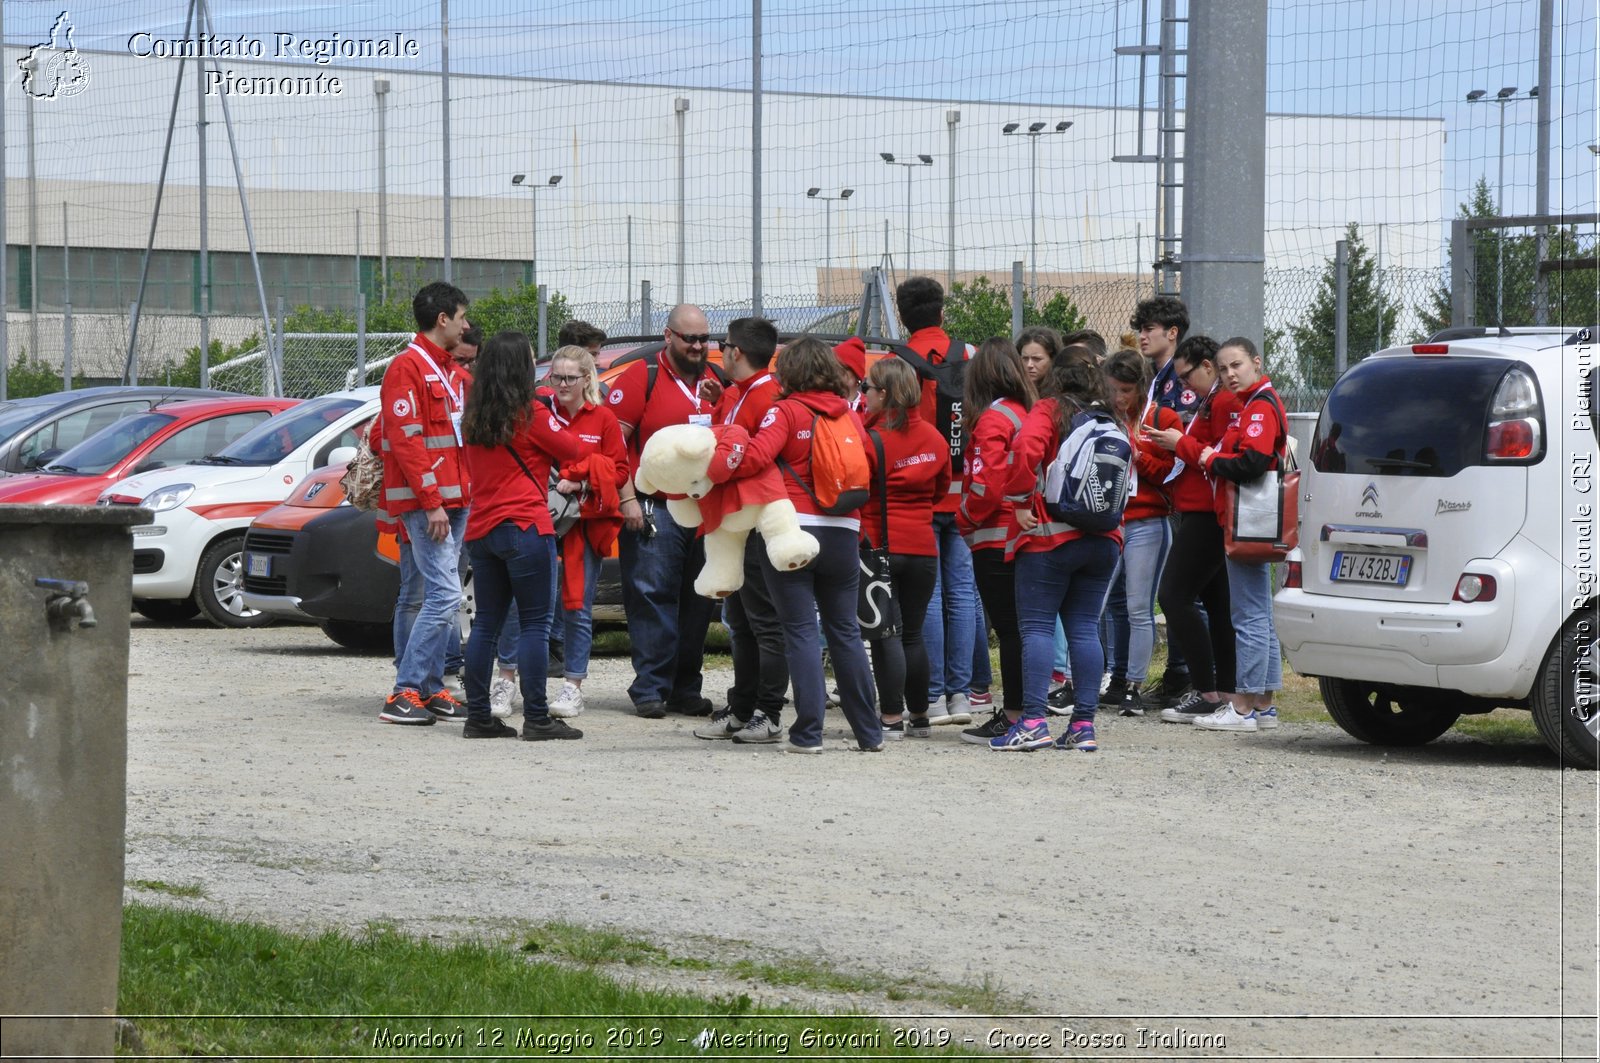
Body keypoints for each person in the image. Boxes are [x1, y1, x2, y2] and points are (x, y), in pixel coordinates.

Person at [725, 336, 881, 753]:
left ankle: (808, 733)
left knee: (799, 632)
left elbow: (756, 458)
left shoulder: (785, 411)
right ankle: (870, 733)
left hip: (792, 531)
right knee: (846, 631)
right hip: (844, 531)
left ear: (790, 371)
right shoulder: (849, 415)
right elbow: (870, 468)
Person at [456, 331, 584, 740]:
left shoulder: (473, 416)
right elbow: (574, 451)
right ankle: (538, 718)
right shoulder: (531, 413)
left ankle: (478, 716)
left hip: (482, 529)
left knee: (486, 625)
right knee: (534, 624)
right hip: (526, 526)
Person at [607, 304, 727, 718]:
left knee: (698, 600)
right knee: (652, 596)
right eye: (689, 338)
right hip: (654, 506)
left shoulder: (717, 379)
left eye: (703, 339)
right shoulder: (643, 375)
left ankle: (684, 689)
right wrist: (627, 500)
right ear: (669, 335)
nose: (697, 347)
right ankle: (651, 688)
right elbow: (613, 445)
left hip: (706, 510)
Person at [998, 360, 1124, 752]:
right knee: (1085, 629)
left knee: (1036, 628)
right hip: (1105, 539)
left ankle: (1034, 720)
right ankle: (1083, 724)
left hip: (1050, 535)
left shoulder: (1050, 409)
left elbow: (1025, 449)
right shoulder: (1111, 420)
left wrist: (1019, 500)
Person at [377, 282, 475, 726]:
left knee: (443, 594)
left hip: (456, 498)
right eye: (462, 317)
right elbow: (406, 440)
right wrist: (432, 501)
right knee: (444, 594)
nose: (466, 325)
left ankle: (432, 688)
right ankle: (404, 691)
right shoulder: (407, 367)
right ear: (443, 319)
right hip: (429, 503)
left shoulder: (450, 369)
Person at [695, 317, 791, 744]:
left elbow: (749, 454)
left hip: (755, 521)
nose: (721, 351)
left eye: (724, 344)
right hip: (734, 522)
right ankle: (742, 706)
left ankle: (769, 712)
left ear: (736, 351)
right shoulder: (741, 393)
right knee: (740, 621)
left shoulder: (767, 395)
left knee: (764, 622)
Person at [1188, 337, 1285, 732]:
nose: (1229, 374)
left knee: (1249, 614)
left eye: (1237, 365)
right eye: (1224, 368)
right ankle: (1263, 704)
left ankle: (1243, 706)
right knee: (1259, 611)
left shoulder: (1259, 407)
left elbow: (1253, 462)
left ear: (1256, 363)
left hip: (1249, 521)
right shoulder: (1255, 403)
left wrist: (1212, 458)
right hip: (1251, 521)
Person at [1143, 335, 1242, 725]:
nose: (1183, 387)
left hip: (1207, 511)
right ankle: (1226, 690)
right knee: (1217, 605)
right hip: (1202, 508)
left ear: (1206, 367)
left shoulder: (1223, 402)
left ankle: (1207, 690)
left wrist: (1179, 441)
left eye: (1187, 378)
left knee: (1174, 594)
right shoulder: (1213, 401)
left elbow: (1213, 456)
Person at [894, 276, 976, 727]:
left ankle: (931, 697)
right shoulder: (970, 355)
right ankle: (962, 695)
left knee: (927, 600)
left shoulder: (896, 363)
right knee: (963, 593)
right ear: (943, 311)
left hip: (918, 498)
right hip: (965, 496)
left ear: (903, 316)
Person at [860, 357, 950, 739]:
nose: (863, 395)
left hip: (880, 545)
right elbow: (942, 490)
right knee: (913, 634)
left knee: (886, 634)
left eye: (868, 388)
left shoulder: (871, 439)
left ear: (884, 394)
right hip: (923, 547)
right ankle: (920, 716)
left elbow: (857, 488)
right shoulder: (934, 437)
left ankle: (891, 718)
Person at [541, 345, 629, 721]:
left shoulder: (604, 419)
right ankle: (510, 680)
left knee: (577, 605)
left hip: (583, 521)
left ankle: (573, 685)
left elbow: (621, 472)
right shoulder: (540, 413)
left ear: (586, 379)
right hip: (542, 518)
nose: (561, 384)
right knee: (527, 605)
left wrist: (579, 479)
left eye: (569, 378)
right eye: (556, 377)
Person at [955, 338, 1035, 744]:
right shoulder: (1028, 412)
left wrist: (962, 518)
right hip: (1026, 533)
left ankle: (1015, 714)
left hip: (994, 535)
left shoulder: (992, 418)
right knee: (1027, 626)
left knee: (1009, 630)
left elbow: (987, 485)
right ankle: (1030, 712)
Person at [1103, 349, 1181, 716]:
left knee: (1138, 607)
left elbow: (1173, 474)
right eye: (1113, 390)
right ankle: (1103, 678)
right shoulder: (1104, 418)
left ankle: (1134, 685)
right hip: (1109, 522)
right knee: (1102, 604)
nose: (1120, 398)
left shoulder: (1161, 418)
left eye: (1127, 390)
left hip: (1147, 523)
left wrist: (1138, 454)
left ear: (1142, 387)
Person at [1130, 294, 1201, 704]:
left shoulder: (1180, 383)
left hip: (1176, 495)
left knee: (1185, 591)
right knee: (1168, 592)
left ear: (1171, 334)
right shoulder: (1155, 378)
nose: (1142, 336)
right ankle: (1177, 674)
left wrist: (1165, 482)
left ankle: (1191, 676)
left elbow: (1183, 446)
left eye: (1149, 329)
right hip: (1161, 494)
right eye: (1140, 328)